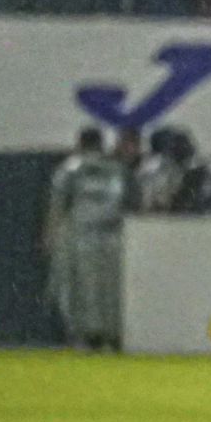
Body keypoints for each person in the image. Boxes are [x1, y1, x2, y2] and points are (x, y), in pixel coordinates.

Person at [44, 128, 130, 348]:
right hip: (113, 234)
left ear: (80, 142)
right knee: (111, 288)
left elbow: (58, 205)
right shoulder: (116, 169)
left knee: (80, 287)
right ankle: (111, 333)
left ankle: (84, 334)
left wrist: (50, 236)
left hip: (80, 234)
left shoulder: (70, 168)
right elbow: (127, 202)